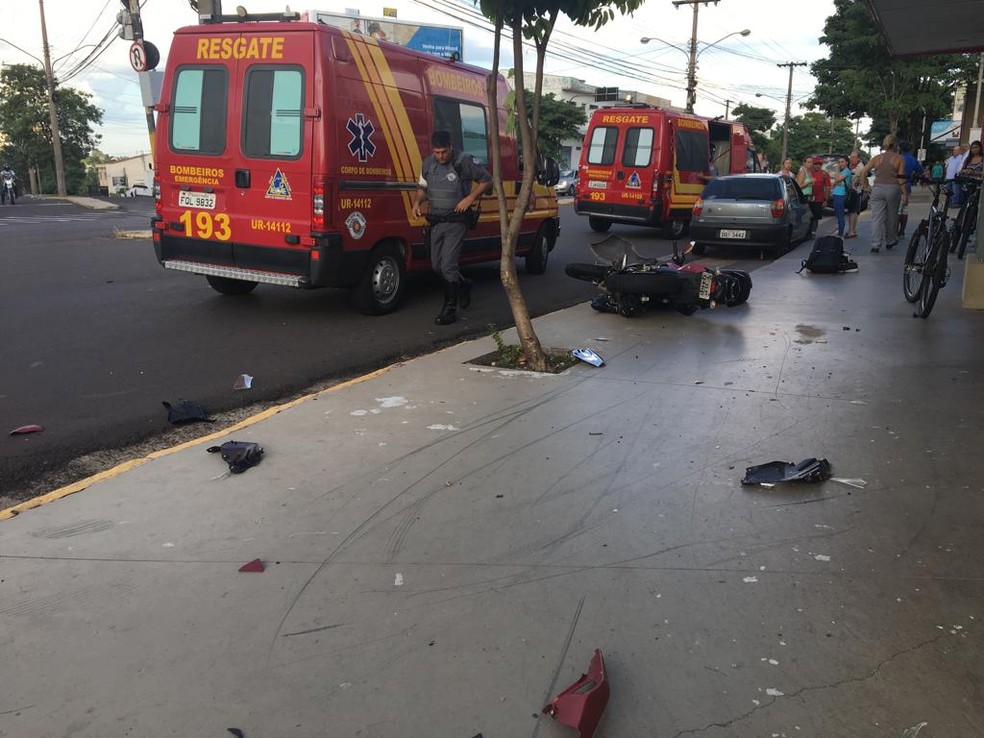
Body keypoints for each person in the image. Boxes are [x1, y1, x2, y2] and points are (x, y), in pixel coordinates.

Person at [413, 131, 491, 325]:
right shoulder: (428, 163)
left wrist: (470, 198)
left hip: (456, 221)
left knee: (448, 264)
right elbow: (423, 188)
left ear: (451, 147)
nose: (441, 156)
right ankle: (463, 285)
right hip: (437, 221)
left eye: (444, 152)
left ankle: (449, 309)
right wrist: (417, 203)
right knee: (436, 266)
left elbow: (486, 180)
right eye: (437, 152)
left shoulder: (463, 161)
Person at [858, 133, 906, 253]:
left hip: (878, 188)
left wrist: (866, 186)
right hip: (893, 188)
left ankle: (875, 244)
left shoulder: (876, 158)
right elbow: (901, 178)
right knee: (892, 216)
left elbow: (863, 172)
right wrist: (905, 194)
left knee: (876, 217)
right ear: (896, 144)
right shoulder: (899, 158)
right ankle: (890, 241)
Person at [897, 141, 924, 238]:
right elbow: (920, 170)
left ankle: (895, 230)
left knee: (897, 210)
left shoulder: (898, 158)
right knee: (904, 210)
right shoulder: (912, 159)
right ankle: (902, 231)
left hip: (897, 185)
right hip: (907, 185)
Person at [845, 150, 867, 238]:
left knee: (853, 211)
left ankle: (851, 231)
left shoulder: (860, 167)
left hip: (855, 191)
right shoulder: (851, 166)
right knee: (853, 211)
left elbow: (858, 180)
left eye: (854, 157)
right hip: (853, 191)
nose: (851, 159)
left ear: (858, 158)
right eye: (851, 157)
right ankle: (852, 230)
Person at [808, 157, 831, 235]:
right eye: (816, 164)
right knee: (808, 217)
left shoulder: (824, 174)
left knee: (816, 217)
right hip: (808, 198)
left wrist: (826, 199)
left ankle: (813, 232)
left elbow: (827, 187)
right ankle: (807, 232)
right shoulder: (808, 172)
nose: (817, 166)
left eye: (819, 164)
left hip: (818, 199)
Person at [831, 156, 851, 237]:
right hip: (837, 193)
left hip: (841, 194)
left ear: (847, 162)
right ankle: (840, 230)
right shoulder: (842, 171)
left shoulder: (846, 171)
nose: (840, 164)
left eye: (842, 162)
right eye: (839, 162)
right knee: (837, 213)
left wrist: (836, 170)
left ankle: (840, 232)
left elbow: (837, 179)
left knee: (840, 214)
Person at [796, 157, 814, 233]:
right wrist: (809, 182)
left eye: (811, 162)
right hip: (803, 195)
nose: (810, 164)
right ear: (804, 163)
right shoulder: (802, 172)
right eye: (808, 162)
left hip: (809, 196)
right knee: (804, 215)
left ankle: (807, 231)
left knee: (808, 215)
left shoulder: (809, 172)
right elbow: (799, 186)